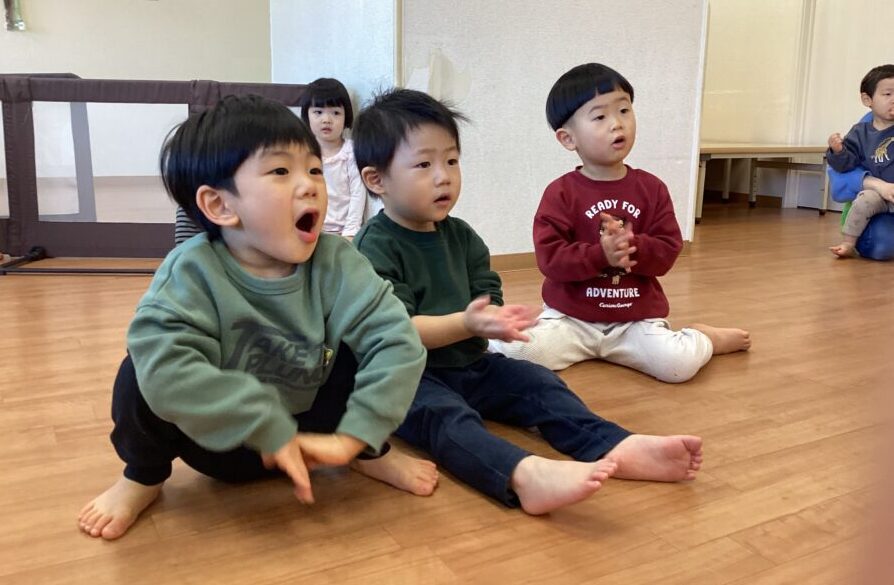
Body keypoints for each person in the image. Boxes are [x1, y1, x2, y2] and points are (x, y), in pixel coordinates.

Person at [78, 95, 437, 541]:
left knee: (364, 341)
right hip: (221, 442)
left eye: (314, 170)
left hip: (316, 435)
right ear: (220, 206)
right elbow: (167, 370)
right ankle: (142, 477)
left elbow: (398, 341)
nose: (310, 186)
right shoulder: (191, 271)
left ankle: (369, 454)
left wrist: (357, 435)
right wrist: (266, 426)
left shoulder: (337, 261)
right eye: (281, 171)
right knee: (140, 370)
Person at [352, 87, 704, 515]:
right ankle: (522, 475)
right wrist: (468, 323)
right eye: (424, 164)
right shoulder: (373, 248)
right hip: (405, 379)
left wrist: (497, 318)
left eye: (452, 161)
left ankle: (614, 444)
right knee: (448, 419)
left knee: (537, 382)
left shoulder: (462, 236)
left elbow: (486, 292)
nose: (444, 176)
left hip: (470, 364)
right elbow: (397, 331)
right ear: (377, 180)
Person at [489, 63, 751, 382]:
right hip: (570, 320)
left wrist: (631, 246)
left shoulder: (651, 188)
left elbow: (667, 251)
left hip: (634, 321)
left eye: (624, 110)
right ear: (568, 138)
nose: (617, 123)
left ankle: (703, 338)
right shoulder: (560, 193)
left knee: (677, 365)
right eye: (600, 116)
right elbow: (550, 260)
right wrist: (601, 254)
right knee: (517, 352)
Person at [827, 64, 894, 258]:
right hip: (877, 195)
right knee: (865, 200)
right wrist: (838, 151)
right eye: (888, 94)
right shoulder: (860, 132)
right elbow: (845, 165)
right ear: (867, 100)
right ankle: (848, 243)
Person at [297, 77, 375, 239]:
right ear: (306, 115)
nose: (327, 120)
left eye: (336, 113)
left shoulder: (351, 152)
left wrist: (350, 232)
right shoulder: (302, 152)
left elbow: (357, 194)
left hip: (345, 232)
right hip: (311, 230)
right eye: (318, 112)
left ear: (346, 116)